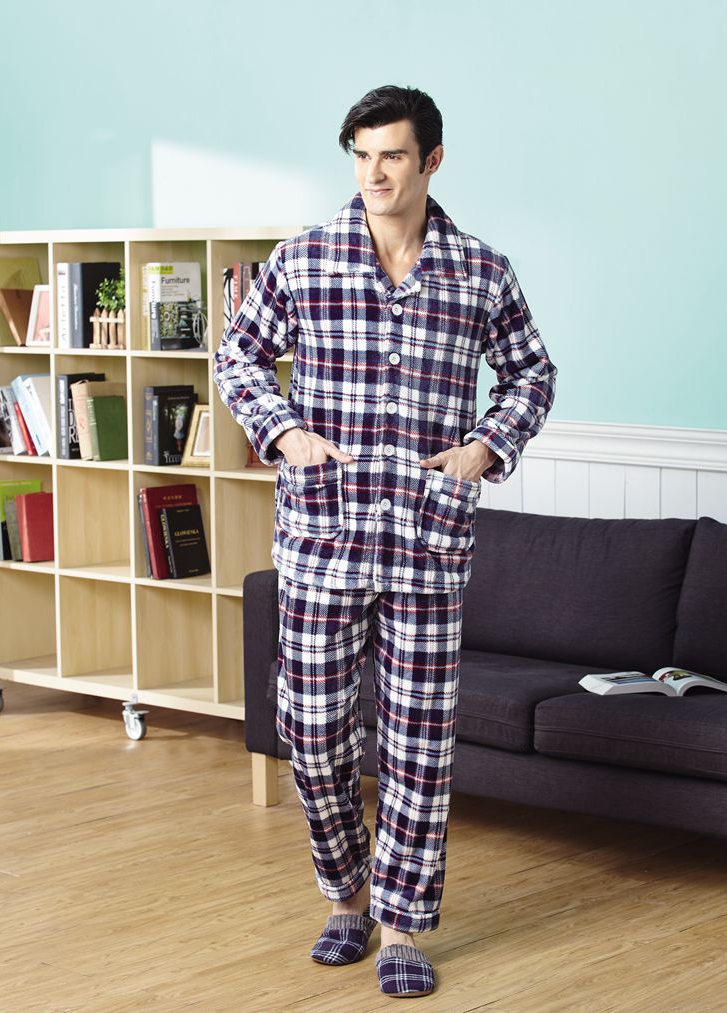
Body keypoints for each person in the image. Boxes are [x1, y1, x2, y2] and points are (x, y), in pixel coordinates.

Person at [214, 84, 557, 999]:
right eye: (361, 155)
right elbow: (237, 355)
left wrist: (486, 447)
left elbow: (532, 373)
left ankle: (402, 923)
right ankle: (347, 893)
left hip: (427, 546)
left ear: (431, 160)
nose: (373, 173)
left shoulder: (482, 272)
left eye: (392, 155)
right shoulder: (305, 258)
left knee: (418, 744)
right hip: (322, 537)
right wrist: (285, 432)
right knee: (310, 728)